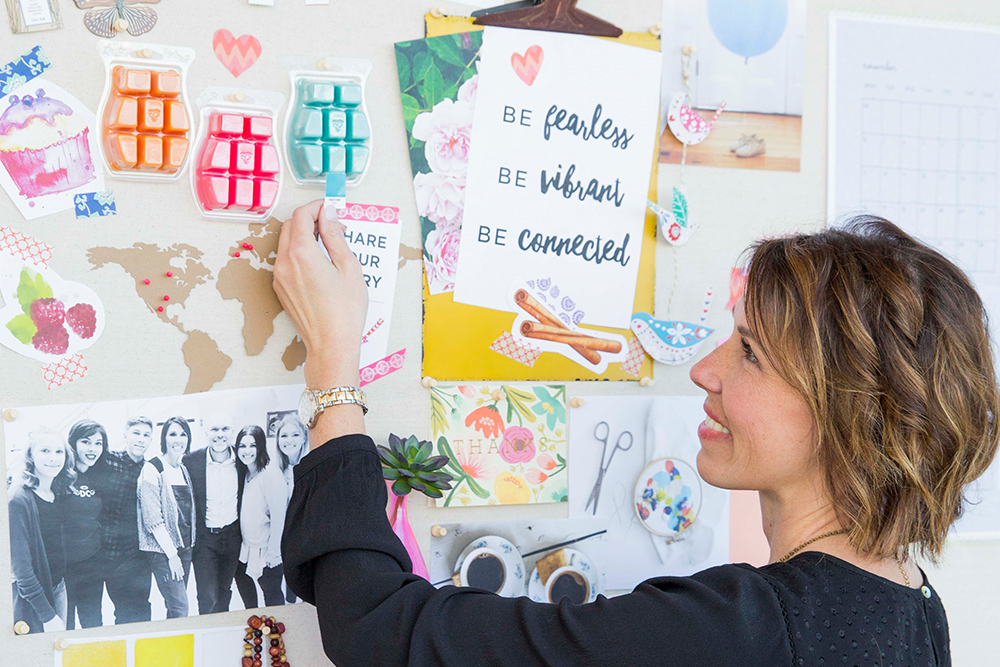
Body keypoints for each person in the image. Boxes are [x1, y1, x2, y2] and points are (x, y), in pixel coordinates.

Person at [274, 203, 998, 666]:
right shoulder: (912, 610)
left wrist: (333, 368)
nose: (705, 370)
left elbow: (376, 625)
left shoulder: (741, 631)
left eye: (750, 353)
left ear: (848, 414)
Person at [9, 429, 75, 634]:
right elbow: (22, 571)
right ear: (30, 455)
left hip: (59, 588)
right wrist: (47, 615)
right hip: (36, 598)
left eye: (59, 452)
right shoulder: (18, 500)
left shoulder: (57, 491)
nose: (53, 458)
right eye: (45, 451)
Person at [184, 412, 244, 615]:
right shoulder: (191, 461)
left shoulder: (243, 460)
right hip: (205, 539)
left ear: (232, 433)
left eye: (225, 429)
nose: (220, 435)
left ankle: (220, 629)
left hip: (233, 536)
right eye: (214, 430)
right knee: (207, 596)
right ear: (206, 433)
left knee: (224, 591)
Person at [139, 416, 196, 618]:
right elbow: (153, 520)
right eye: (173, 434)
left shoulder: (183, 469)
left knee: (174, 607)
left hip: (185, 548)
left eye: (183, 434)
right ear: (164, 438)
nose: (178, 439)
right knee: (181, 608)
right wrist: (172, 555)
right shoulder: (152, 468)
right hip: (164, 553)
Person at [99, 416, 154, 624]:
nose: (141, 439)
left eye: (146, 435)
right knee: (122, 611)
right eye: (136, 433)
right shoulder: (109, 460)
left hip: (139, 555)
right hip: (111, 553)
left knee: (143, 607)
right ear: (125, 435)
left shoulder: (150, 469)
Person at [233, 425, 288, 609]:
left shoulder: (270, 474)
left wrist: (273, 553)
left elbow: (279, 517)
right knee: (242, 580)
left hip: (267, 550)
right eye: (242, 446)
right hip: (247, 548)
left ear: (260, 447)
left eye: (252, 446)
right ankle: (254, 621)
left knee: (272, 595)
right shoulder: (245, 473)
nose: (246, 451)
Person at [63, 420, 109, 629]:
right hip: (64, 567)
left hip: (92, 563)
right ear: (73, 443)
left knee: (93, 622)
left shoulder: (100, 475)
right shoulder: (60, 476)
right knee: (66, 624)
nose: (93, 449)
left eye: (98, 443)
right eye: (86, 442)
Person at [273, 414, 308, 603]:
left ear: (303, 437)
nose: (289, 441)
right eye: (283, 436)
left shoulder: (309, 467)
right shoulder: (276, 470)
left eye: (294, 435)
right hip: (283, 541)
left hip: (305, 541)